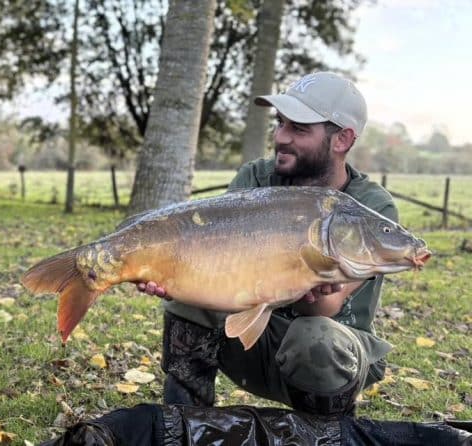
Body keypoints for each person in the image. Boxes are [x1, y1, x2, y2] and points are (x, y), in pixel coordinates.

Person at [138, 72, 396, 415]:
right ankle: (187, 421)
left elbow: (323, 308)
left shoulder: (368, 207)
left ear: (342, 140)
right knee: (189, 302)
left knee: (315, 339)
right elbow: (220, 269)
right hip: (257, 340)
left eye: (299, 129)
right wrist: (176, 276)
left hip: (332, 356)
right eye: (280, 123)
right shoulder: (256, 179)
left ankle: (324, 432)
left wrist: (306, 282)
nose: (281, 138)